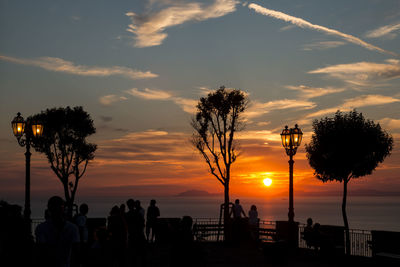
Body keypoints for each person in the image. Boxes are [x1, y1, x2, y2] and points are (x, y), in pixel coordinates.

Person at [35, 196, 80, 267]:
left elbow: (41, 251)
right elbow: (76, 251)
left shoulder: (41, 228)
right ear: (64, 209)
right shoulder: (73, 228)